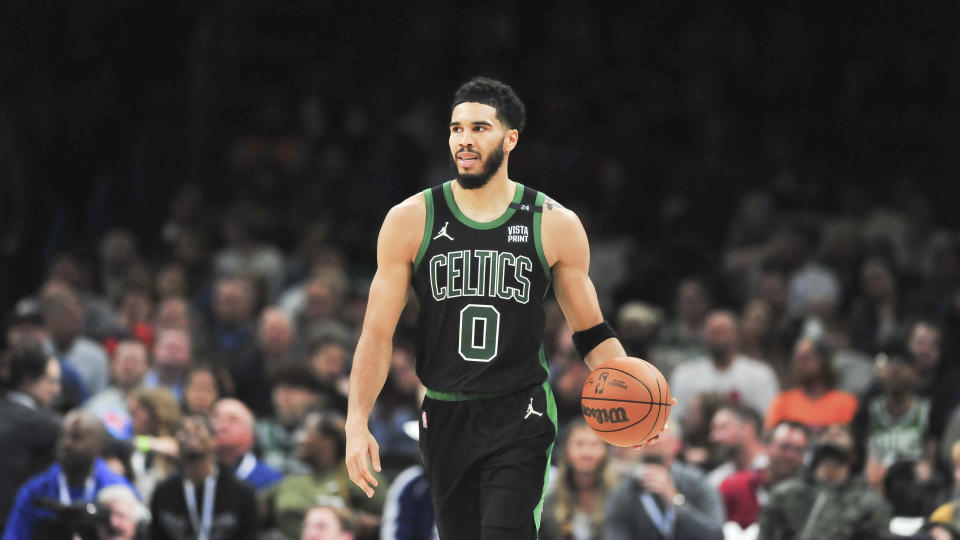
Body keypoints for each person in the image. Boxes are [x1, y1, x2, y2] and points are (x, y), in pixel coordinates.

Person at [344, 76, 671, 540]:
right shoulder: (410, 219)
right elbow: (376, 336)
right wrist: (357, 423)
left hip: (521, 412)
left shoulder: (553, 223)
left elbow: (591, 332)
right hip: (444, 412)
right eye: (457, 129)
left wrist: (634, 394)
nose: (465, 140)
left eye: (479, 128)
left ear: (510, 138)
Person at [3, 410, 136, 540]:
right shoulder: (36, 490)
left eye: (76, 437)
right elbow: (14, 534)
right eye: (62, 436)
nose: (66, 444)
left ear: (98, 445)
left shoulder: (119, 491)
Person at [758, 424, 891, 540]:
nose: (833, 433)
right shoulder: (785, 494)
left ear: (855, 453)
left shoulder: (869, 504)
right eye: (826, 431)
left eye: (842, 432)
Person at [275, 411, 385, 540]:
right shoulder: (292, 481)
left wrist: (355, 521)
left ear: (327, 441)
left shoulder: (355, 474)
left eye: (306, 432)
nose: (299, 439)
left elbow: (386, 520)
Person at [605, 424, 725, 540]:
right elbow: (615, 533)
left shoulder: (697, 482)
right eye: (646, 434)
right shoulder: (624, 491)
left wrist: (676, 501)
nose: (651, 440)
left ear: (677, 444)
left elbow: (715, 534)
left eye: (658, 433)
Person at [149, 414, 258, 540]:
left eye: (198, 429)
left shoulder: (241, 493)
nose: (191, 434)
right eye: (184, 431)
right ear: (176, 442)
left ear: (214, 441)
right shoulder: (163, 493)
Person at [669, 310, 779, 424]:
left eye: (721, 331)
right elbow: (676, 420)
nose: (716, 337)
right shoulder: (684, 374)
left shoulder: (761, 375)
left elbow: (768, 419)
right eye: (712, 332)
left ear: (736, 335)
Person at [0, 342, 63, 525]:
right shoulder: (41, 423)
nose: (57, 390)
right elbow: (94, 439)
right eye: (51, 381)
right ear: (28, 379)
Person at [719, 420, 810, 529]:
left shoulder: (809, 497)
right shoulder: (735, 486)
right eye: (784, 447)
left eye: (798, 450)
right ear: (767, 447)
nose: (790, 455)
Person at [539, 419, 617, 540]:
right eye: (579, 444)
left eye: (594, 444)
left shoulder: (619, 496)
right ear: (566, 451)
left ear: (605, 451)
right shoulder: (549, 500)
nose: (586, 452)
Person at [764, 337, 858, 431]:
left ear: (823, 361)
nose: (800, 365)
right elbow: (771, 438)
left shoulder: (846, 402)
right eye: (797, 359)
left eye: (806, 358)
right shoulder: (783, 402)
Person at [257, 363, 324, 474]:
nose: (285, 394)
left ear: (313, 396)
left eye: (294, 387)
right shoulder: (260, 429)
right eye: (280, 387)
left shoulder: (323, 430)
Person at [212, 398, 284, 492]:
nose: (221, 425)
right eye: (216, 417)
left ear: (251, 435)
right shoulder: (193, 472)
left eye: (233, 420)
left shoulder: (271, 480)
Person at [85, 338, 150, 440]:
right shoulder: (99, 402)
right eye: (125, 361)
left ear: (146, 367)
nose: (128, 367)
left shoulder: (156, 403)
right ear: (113, 365)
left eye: (134, 362)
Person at [706, 404, 768, 487]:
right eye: (713, 430)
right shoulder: (717, 479)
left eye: (722, 427)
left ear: (748, 429)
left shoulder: (773, 469)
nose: (714, 437)